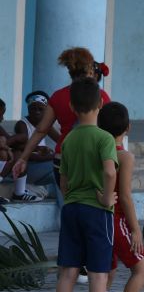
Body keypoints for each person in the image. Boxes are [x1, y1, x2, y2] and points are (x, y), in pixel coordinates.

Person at [49, 79, 129, 292]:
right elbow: (109, 172)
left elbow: (63, 179)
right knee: (98, 275)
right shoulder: (104, 138)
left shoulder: (69, 139)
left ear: (71, 107)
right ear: (100, 104)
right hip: (97, 212)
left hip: (71, 209)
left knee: (67, 273)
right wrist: (108, 197)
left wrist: (72, 194)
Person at [11, 48, 111, 203]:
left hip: (63, 159)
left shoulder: (58, 96)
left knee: (67, 206)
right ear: (90, 68)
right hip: (92, 158)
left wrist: (23, 158)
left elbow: (41, 130)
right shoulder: (100, 96)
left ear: (70, 71)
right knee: (93, 207)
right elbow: (109, 129)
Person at [88, 102, 144, 292]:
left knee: (107, 272)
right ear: (128, 127)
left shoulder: (96, 151)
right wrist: (135, 228)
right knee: (142, 269)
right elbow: (124, 195)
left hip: (99, 217)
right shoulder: (124, 155)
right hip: (118, 219)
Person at [7, 92, 59, 201]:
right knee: (60, 166)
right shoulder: (22, 124)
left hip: (39, 165)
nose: (37, 112)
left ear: (46, 110)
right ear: (28, 109)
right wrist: (53, 156)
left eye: (40, 109)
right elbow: (27, 154)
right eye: (33, 109)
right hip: (25, 168)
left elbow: (61, 141)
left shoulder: (46, 124)